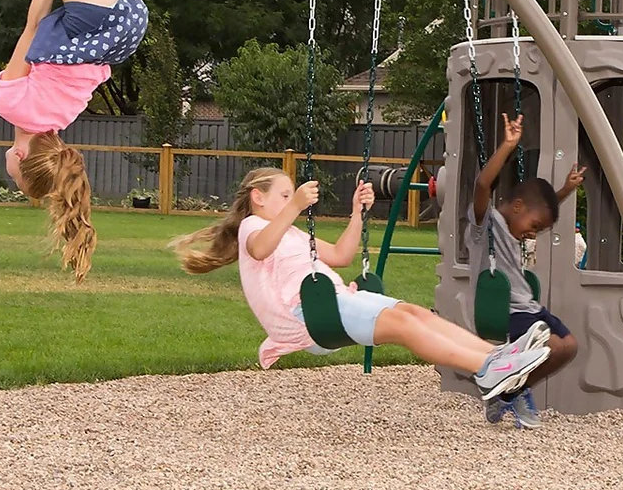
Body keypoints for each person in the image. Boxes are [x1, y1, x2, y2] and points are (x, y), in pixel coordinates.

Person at [171, 167, 550, 402]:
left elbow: (340, 255)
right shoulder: (254, 227)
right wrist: (296, 205)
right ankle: (488, 367)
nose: (290, 200)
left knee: (415, 314)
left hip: (332, 301)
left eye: (290, 196)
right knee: (404, 325)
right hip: (309, 314)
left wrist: (357, 213)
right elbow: (259, 249)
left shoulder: (291, 232)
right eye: (284, 195)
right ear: (258, 198)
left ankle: (496, 356)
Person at [0, 0, 196, 279]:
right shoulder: (9, 104)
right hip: (95, 18)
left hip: (126, 26)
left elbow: (83, 59)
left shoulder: (62, 118)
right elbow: (33, 25)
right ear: (20, 158)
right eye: (15, 178)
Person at [468, 113, 584, 429]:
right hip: (505, 309)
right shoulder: (486, 225)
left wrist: (565, 190)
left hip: (528, 307)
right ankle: (511, 389)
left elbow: (539, 208)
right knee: (552, 346)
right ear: (517, 206)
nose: (533, 233)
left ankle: (511, 391)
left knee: (568, 346)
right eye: (534, 227)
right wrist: (508, 146)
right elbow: (482, 184)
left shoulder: (523, 216)